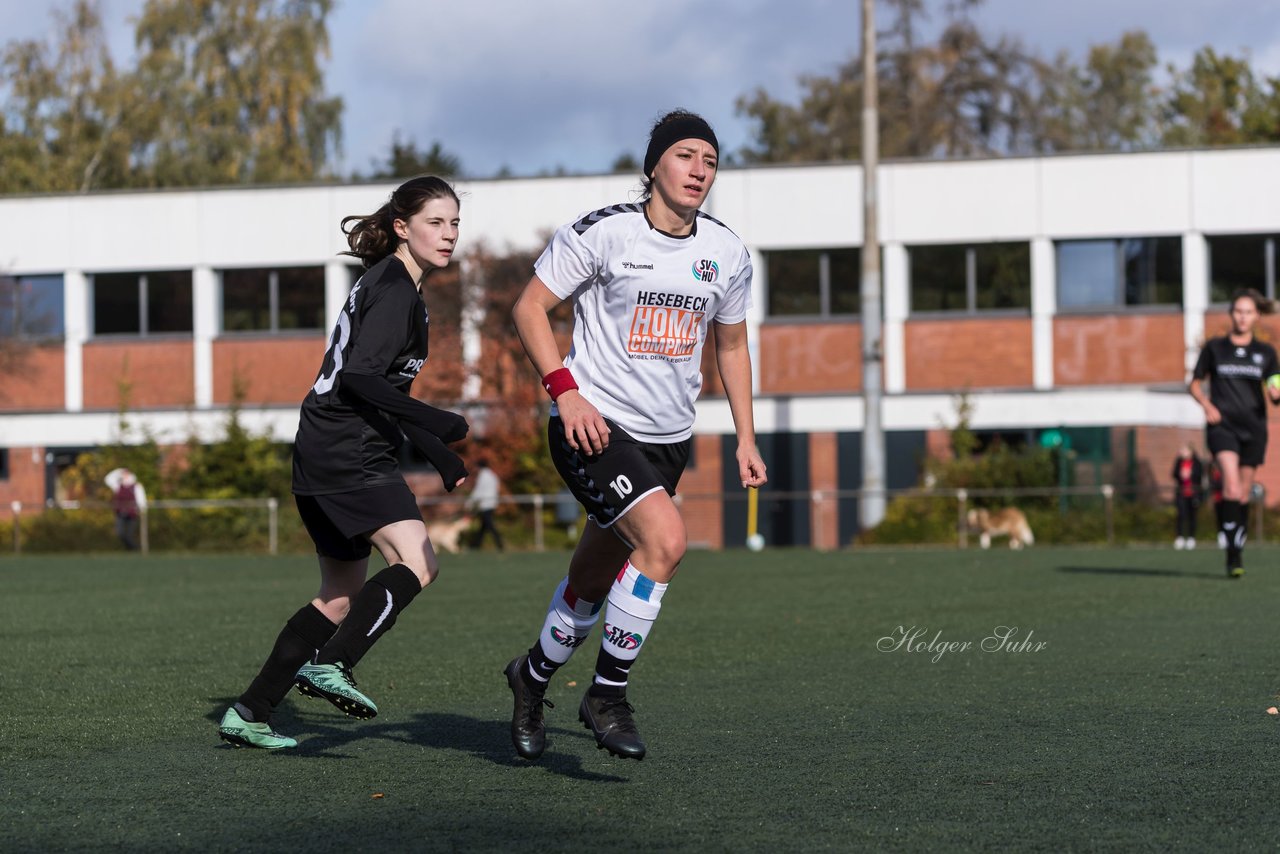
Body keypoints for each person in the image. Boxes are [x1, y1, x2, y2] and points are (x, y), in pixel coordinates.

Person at [502, 109, 768, 761]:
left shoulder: (727, 252)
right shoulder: (605, 232)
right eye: (684, 155)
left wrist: (746, 437)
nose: (699, 169)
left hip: (667, 443)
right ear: (654, 165)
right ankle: (607, 695)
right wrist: (565, 394)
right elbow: (528, 307)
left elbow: (731, 346)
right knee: (666, 541)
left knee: (593, 581)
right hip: (593, 428)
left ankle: (530, 678)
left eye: (709, 160)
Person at [218, 176, 470, 749]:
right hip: (348, 450)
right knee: (419, 560)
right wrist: (438, 423)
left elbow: (375, 384)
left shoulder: (385, 281)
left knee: (338, 594)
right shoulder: (398, 290)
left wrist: (436, 453)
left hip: (323, 445)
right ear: (403, 228)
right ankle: (334, 663)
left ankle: (250, 712)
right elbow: (359, 378)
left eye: (455, 223)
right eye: (436, 222)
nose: (449, 234)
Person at [1188, 287, 1280, 578]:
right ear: (1231, 314)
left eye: (1248, 312)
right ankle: (1231, 552)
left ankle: (1236, 549)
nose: (1243, 317)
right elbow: (1194, 383)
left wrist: (1276, 393)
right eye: (1238, 311)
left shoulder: (1266, 353)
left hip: (1254, 428)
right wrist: (1206, 404)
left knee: (1242, 493)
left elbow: (1275, 388)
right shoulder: (1215, 348)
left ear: (1256, 316)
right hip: (1222, 427)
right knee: (1230, 485)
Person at [466, 458, 504, 551]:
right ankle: (476, 545)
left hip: (486, 504)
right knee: (483, 526)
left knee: (489, 525)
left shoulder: (483, 476)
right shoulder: (492, 474)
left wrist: (470, 502)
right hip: (491, 502)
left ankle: (500, 543)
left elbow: (478, 491)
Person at [104, 467, 146, 551]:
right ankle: (133, 548)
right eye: (123, 474)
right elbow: (107, 479)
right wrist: (119, 470)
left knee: (130, 534)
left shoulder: (136, 486)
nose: (124, 475)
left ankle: (134, 549)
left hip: (132, 513)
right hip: (120, 513)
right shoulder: (118, 485)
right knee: (120, 533)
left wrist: (142, 510)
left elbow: (141, 499)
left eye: (126, 474)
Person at [1170, 444, 1203, 549]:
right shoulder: (1179, 462)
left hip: (1193, 494)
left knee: (1192, 516)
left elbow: (1200, 475)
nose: (1182, 452)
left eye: (1185, 450)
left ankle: (1191, 538)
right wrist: (1181, 474)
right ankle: (1179, 538)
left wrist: (1191, 474)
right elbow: (1174, 474)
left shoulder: (1197, 463)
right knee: (1181, 515)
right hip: (1181, 493)